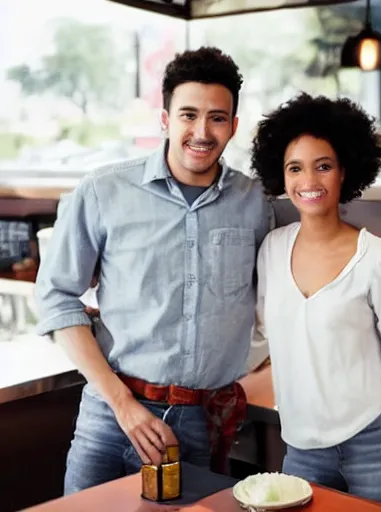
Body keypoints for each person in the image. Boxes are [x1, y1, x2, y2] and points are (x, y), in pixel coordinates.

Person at [35, 47, 273, 494]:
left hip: (201, 424)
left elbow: (278, 291)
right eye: (188, 115)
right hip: (109, 417)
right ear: (165, 119)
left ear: (234, 126)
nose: (201, 132)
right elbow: (55, 296)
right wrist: (122, 404)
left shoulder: (255, 203)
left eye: (217, 118)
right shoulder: (102, 191)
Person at [251, 93, 381, 509]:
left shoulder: (375, 258)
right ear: (281, 177)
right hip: (301, 450)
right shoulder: (270, 250)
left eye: (323, 166)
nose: (309, 182)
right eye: (295, 168)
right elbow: (262, 336)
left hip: (374, 447)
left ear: (344, 173)